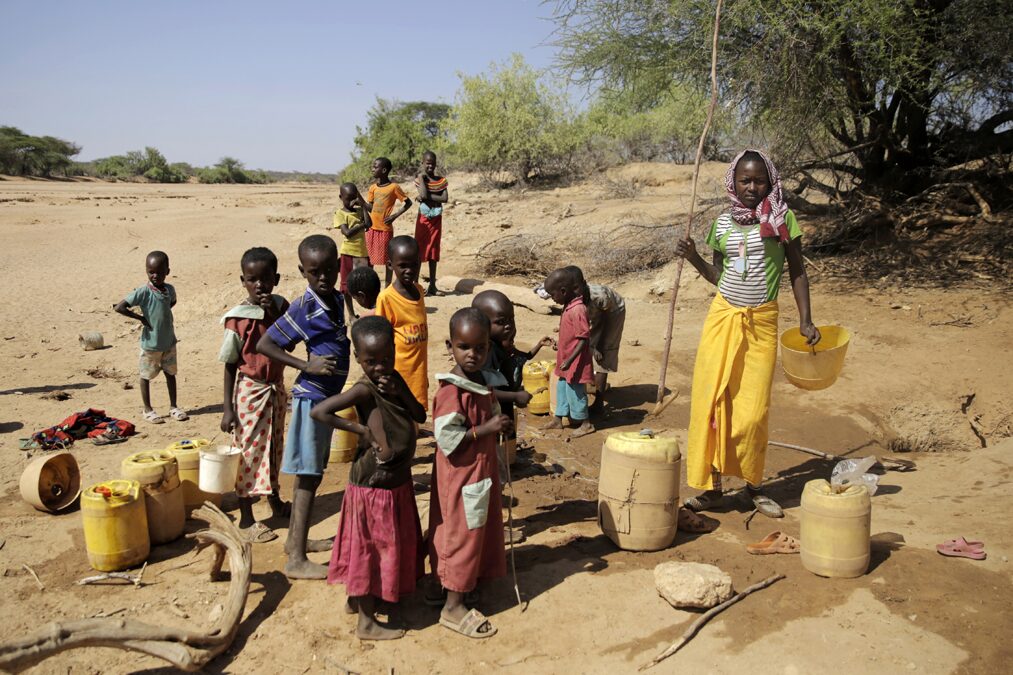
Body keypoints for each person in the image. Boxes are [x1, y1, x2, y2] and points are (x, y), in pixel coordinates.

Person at [676, 149, 821, 519]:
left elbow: (797, 271)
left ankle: (754, 485)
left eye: (759, 180)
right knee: (710, 403)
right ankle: (712, 488)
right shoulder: (722, 225)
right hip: (722, 319)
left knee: (752, 412)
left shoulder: (781, 219)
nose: (752, 187)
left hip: (761, 322)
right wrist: (693, 258)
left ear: (770, 182)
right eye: (745, 180)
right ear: (733, 182)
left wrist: (806, 319)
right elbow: (718, 277)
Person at [311, 316, 427, 641]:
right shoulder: (364, 388)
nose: (380, 367)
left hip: (395, 482)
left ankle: (357, 599)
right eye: (371, 362)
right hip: (373, 485)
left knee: (382, 546)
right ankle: (366, 621)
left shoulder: (394, 379)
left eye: (386, 359)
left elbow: (419, 415)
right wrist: (360, 430)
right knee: (370, 549)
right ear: (359, 359)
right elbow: (319, 412)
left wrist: (400, 391)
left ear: (394, 351)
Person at [257, 234, 349, 579]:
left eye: (328, 270)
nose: (322, 277)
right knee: (308, 476)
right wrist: (303, 365)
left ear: (338, 266)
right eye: (314, 272)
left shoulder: (335, 299)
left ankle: (297, 541)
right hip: (312, 398)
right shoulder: (305, 307)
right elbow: (266, 344)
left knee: (311, 474)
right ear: (302, 272)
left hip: (325, 399)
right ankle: (296, 559)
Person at [429, 308, 512, 639]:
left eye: (480, 347)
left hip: (478, 474)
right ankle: (452, 606)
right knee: (460, 535)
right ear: (450, 346)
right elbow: (448, 439)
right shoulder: (452, 391)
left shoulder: (478, 382)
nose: (473, 354)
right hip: (461, 477)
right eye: (464, 347)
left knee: (474, 530)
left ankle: (449, 586)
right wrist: (487, 428)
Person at [218, 247, 290, 542]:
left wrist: (272, 312)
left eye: (265, 279)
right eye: (252, 279)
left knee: (274, 446)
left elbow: (289, 343)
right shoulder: (237, 319)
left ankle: (273, 498)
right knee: (248, 452)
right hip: (250, 391)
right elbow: (229, 364)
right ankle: (247, 517)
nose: (259, 285)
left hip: (276, 388)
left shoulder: (282, 307)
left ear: (276, 279)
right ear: (242, 281)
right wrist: (227, 408)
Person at [472, 289, 552, 544]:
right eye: (500, 322)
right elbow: (486, 391)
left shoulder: (502, 348)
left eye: (511, 320)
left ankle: (493, 527)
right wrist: (515, 397)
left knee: (498, 477)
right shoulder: (486, 353)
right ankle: (492, 531)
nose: (508, 327)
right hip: (490, 423)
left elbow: (516, 364)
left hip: (502, 422)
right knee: (491, 479)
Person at [114, 250, 187, 424]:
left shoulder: (169, 289)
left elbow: (171, 303)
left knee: (171, 373)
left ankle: (174, 407)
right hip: (150, 344)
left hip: (169, 341)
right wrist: (141, 318)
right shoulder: (143, 292)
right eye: (150, 272)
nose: (154, 276)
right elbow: (119, 307)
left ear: (167, 271)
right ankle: (148, 410)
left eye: (159, 272)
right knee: (146, 376)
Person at [562, 266, 626, 415]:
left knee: (603, 354)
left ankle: (599, 404)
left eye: (577, 288)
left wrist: (599, 345)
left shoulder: (599, 296)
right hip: (597, 315)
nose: (575, 292)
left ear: (584, 283)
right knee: (586, 346)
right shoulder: (570, 297)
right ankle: (593, 383)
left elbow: (605, 320)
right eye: (571, 289)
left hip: (612, 312)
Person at [375, 236, 429, 410]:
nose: (409, 270)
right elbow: (380, 339)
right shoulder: (387, 298)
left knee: (415, 411)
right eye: (403, 266)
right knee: (401, 411)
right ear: (391, 265)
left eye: (414, 265)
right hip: (399, 371)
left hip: (418, 371)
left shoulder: (419, 291)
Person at [541, 268, 595, 438]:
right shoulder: (568, 306)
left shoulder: (577, 310)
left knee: (576, 391)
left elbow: (583, 339)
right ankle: (558, 419)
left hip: (576, 361)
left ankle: (585, 423)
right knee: (562, 388)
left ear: (563, 291)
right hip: (566, 359)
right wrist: (560, 345)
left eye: (552, 295)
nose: (552, 298)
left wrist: (570, 359)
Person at [365, 157, 411, 287]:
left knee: (388, 260)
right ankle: (370, 285)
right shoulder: (373, 188)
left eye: (375, 167)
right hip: (371, 229)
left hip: (385, 229)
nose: (372, 169)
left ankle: (387, 286)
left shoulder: (394, 187)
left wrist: (394, 216)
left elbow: (408, 203)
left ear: (384, 170)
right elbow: (370, 208)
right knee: (370, 260)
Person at [333, 182, 372, 321]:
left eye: (353, 198)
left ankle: (369, 308)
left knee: (363, 283)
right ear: (340, 197)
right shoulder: (340, 214)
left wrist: (363, 206)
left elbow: (370, 223)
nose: (351, 201)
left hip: (362, 253)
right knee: (346, 285)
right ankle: (350, 314)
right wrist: (361, 225)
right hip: (348, 253)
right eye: (347, 198)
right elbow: (347, 233)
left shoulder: (360, 211)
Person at [414, 150, 449, 297]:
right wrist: (423, 180)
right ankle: (415, 286)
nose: (430, 166)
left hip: (436, 219)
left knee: (434, 250)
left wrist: (428, 196)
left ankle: (433, 285)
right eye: (427, 163)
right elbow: (423, 194)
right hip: (423, 220)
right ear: (422, 163)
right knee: (419, 249)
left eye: (433, 164)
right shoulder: (420, 180)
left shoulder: (441, 180)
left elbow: (445, 198)